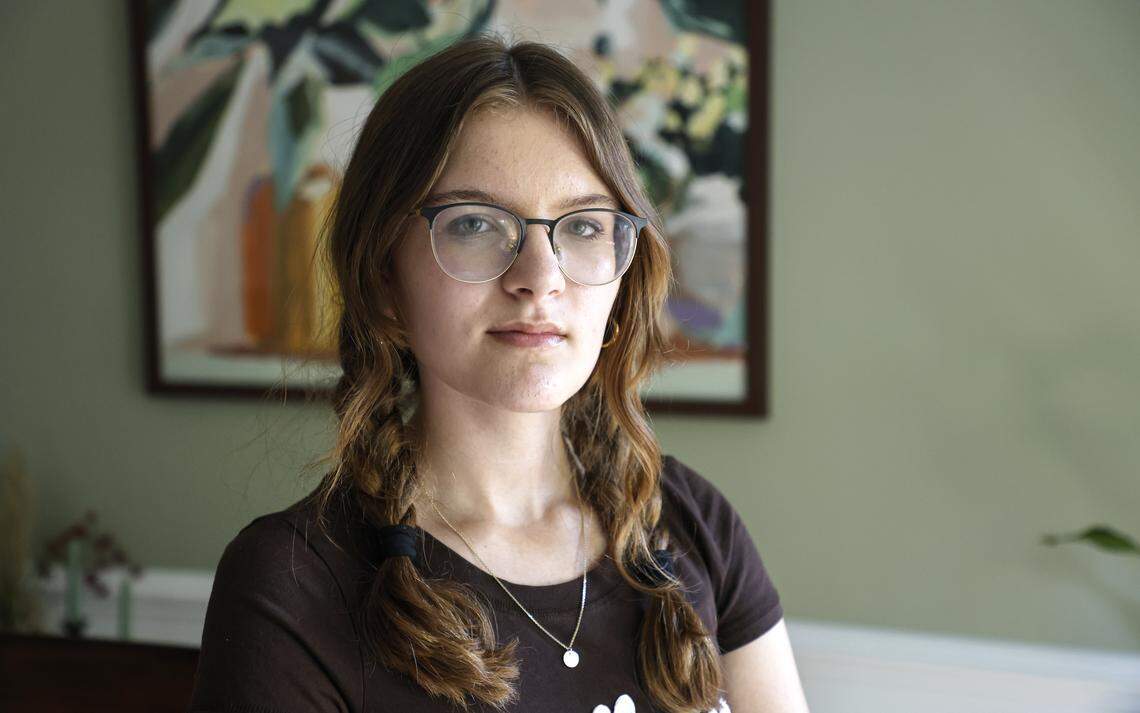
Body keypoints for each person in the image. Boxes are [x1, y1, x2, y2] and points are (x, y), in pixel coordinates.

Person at [189, 33, 810, 713]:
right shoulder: (291, 586)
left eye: (582, 226)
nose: (540, 278)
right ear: (383, 274)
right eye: (476, 224)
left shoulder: (692, 523)